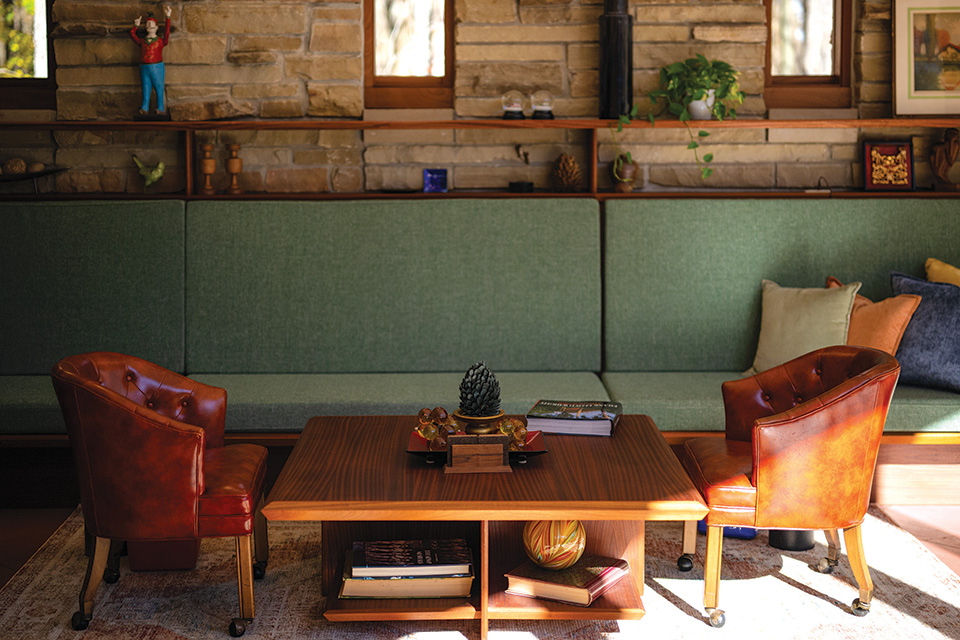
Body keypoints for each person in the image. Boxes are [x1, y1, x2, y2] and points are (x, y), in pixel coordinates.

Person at [130, 5, 172, 115]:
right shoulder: (142, 41)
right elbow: (132, 35)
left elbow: (167, 34)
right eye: (148, 27)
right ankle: (144, 108)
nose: (150, 28)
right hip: (144, 67)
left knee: (159, 88)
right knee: (145, 88)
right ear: (146, 28)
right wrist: (135, 26)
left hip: (157, 66)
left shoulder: (160, 41)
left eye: (152, 27)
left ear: (157, 28)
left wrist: (168, 17)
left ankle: (160, 108)